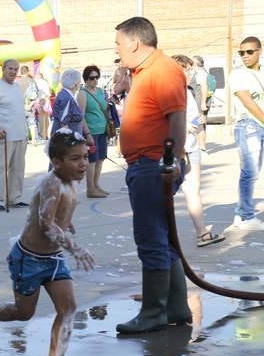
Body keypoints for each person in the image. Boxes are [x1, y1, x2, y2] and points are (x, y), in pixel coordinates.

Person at [0, 129, 94, 356]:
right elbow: (46, 224)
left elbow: (56, 218)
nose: (83, 164)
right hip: (29, 259)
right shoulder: (52, 183)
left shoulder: (71, 182)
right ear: (57, 162)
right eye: (75, 159)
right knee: (24, 312)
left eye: (85, 157)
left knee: (68, 308)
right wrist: (75, 247)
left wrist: (66, 223)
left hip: (54, 259)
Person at [112, 17, 190, 335]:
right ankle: (174, 307)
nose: (117, 50)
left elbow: (177, 118)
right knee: (162, 238)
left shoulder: (163, 70)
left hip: (153, 165)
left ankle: (154, 312)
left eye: (118, 43)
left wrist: (174, 160)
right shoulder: (145, 72)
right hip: (147, 164)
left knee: (151, 240)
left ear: (134, 42)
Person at [172, 55, 224, 247]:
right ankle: (162, 235)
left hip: (191, 147)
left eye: (190, 69)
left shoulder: (187, 91)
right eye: (185, 69)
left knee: (193, 191)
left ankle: (202, 233)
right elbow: (164, 119)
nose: (189, 73)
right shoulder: (170, 92)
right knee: (165, 193)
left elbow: (192, 116)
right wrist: (184, 126)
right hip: (178, 149)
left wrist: (200, 121)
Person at [226, 36, 264, 231]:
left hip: (261, 125)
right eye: (241, 52)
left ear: (259, 51)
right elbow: (248, 101)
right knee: (250, 171)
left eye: (249, 52)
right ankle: (244, 216)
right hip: (248, 125)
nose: (245, 56)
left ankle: (243, 213)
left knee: (255, 171)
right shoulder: (238, 74)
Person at [0, 59, 29, 211]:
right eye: (10, 68)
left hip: (20, 135)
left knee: (18, 169)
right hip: (3, 136)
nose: (13, 72)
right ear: (3, 69)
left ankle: (14, 198)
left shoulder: (17, 86)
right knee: (1, 168)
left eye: (16, 69)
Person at [77, 65, 110, 197]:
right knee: (92, 160)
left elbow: (104, 107)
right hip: (92, 131)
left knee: (101, 159)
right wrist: (87, 133)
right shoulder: (83, 94)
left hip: (103, 130)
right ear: (86, 79)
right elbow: (81, 116)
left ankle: (96, 185)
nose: (95, 80)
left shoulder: (100, 91)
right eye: (91, 78)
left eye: (97, 77)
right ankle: (90, 189)